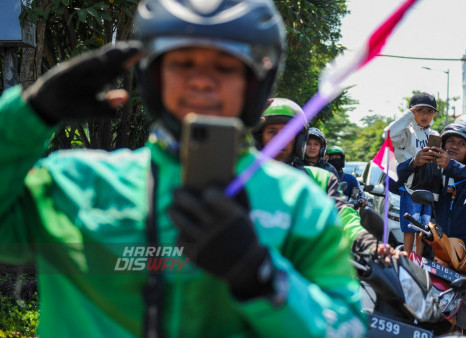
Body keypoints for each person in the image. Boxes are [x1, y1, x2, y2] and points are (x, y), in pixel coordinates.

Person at [0, 0, 367, 337]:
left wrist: (261, 277)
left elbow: (347, 327)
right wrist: (27, 116)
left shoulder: (298, 201)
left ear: (256, 84)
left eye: (225, 66)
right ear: (154, 77)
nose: (202, 80)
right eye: (183, 63)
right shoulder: (75, 183)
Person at [253, 97, 404, 258]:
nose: (280, 139)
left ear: (298, 140)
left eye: (287, 133)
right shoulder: (241, 177)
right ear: (258, 137)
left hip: (307, 260)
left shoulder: (321, 178)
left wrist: (368, 243)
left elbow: (342, 215)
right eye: (272, 132)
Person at [397, 122, 466, 337]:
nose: (454, 146)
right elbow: (398, 180)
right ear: (442, 142)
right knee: (438, 319)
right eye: (450, 141)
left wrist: (451, 166)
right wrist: (413, 163)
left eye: (462, 143)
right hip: (437, 257)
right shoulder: (430, 167)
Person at [384, 92, 440, 256]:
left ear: (434, 114)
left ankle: (419, 260)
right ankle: (407, 257)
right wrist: (408, 115)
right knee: (410, 225)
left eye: (429, 111)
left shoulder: (435, 134)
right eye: (419, 110)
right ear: (411, 112)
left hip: (429, 187)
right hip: (410, 186)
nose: (424, 115)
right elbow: (388, 134)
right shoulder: (406, 132)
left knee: (424, 225)